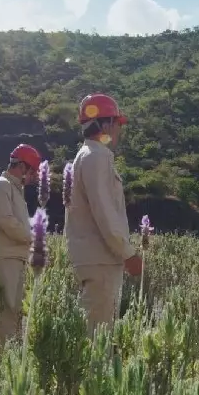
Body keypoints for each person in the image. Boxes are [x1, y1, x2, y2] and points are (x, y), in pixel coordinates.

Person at [64, 93, 144, 334]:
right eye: (118, 124)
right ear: (106, 124)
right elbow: (104, 212)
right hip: (101, 259)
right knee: (97, 338)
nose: (119, 130)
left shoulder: (89, 156)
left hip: (95, 258)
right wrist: (127, 253)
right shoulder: (95, 157)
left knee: (95, 332)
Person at [0, 143, 41, 343]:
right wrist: (33, 237)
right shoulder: (1, 186)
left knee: (16, 310)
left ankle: (11, 355)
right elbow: (5, 220)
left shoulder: (15, 190)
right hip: (5, 257)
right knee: (7, 311)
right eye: (33, 171)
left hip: (17, 257)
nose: (35, 176)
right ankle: (3, 357)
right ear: (22, 167)